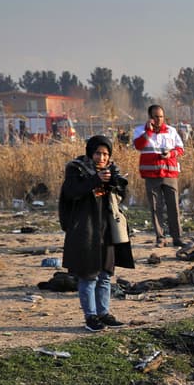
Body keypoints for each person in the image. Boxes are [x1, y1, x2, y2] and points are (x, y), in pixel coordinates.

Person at [59, 135, 132, 332]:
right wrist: (95, 180)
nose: (102, 158)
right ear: (91, 153)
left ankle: (104, 313)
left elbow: (121, 196)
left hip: (107, 229)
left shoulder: (111, 171)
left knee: (105, 275)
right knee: (88, 276)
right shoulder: (76, 169)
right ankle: (90, 317)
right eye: (98, 153)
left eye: (106, 154)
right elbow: (72, 192)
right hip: (85, 230)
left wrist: (114, 183)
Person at [132, 104, 184, 248]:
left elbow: (180, 149)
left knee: (173, 207)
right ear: (150, 117)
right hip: (151, 175)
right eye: (156, 116)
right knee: (156, 208)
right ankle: (160, 237)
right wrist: (148, 132)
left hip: (169, 174)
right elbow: (138, 146)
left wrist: (170, 154)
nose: (159, 119)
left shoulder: (171, 131)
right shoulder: (139, 131)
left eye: (161, 116)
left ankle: (177, 237)